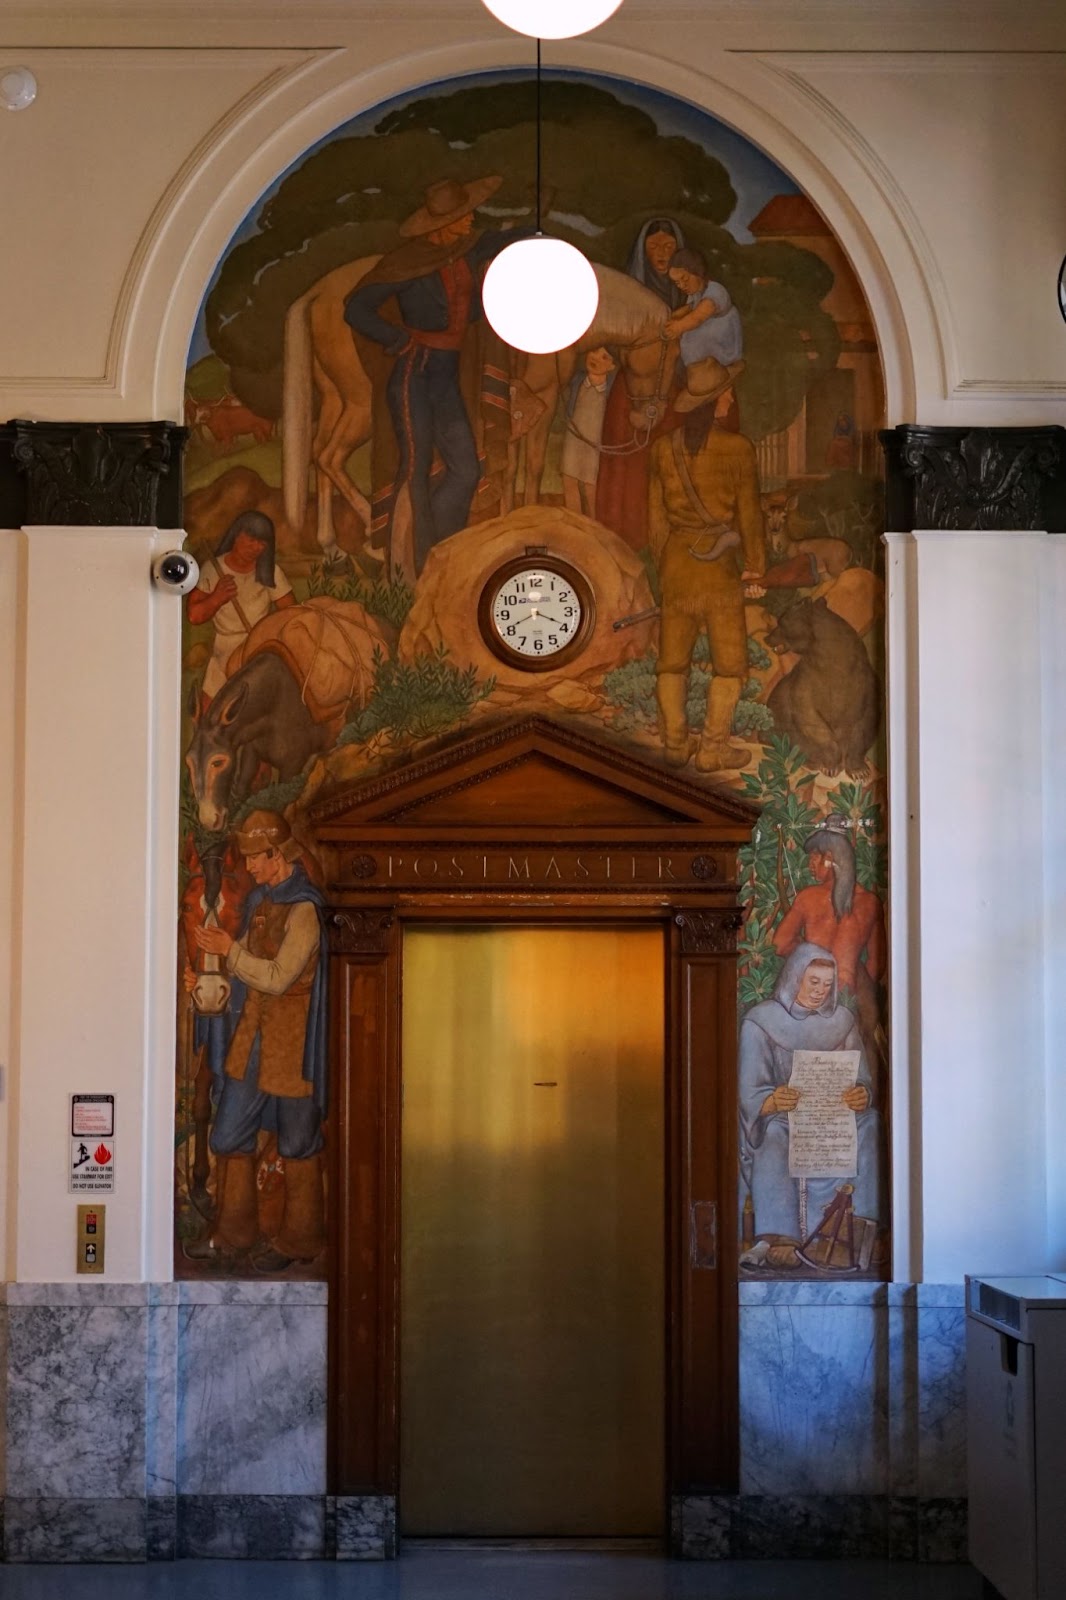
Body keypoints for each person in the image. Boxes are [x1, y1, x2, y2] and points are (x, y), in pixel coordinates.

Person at [344, 174, 525, 576]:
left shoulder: (464, 250)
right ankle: (415, 568)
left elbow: (500, 240)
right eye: (462, 216)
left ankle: (444, 553)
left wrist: (539, 228)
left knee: (466, 469)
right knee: (415, 469)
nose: (470, 219)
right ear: (440, 226)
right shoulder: (406, 264)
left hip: (445, 378)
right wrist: (396, 338)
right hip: (415, 372)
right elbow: (356, 309)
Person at [183, 810, 328, 1273]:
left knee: (298, 1141)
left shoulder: (305, 910)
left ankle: (299, 1240)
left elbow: (279, 977)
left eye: (253, 858)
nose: (247, 867)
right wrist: (206, 977)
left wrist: (231, 952)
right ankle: (235, 1234)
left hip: (292, 1043)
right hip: (254, 1038)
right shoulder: (262, 903)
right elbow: (242, 966)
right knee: (228, 1133)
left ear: (275, 854)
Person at [647, 367, 765, 773]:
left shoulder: (663, 448)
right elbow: (750, 515)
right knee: (730, 664)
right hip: (718, 568)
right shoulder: (738, 449)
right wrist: (754, 568)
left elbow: (656, 520)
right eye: (727, 394)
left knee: (671, 662)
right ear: (714, 402)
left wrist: (666, 568)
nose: (731, 400)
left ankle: (675, 745)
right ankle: (713, 749)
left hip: (677, 564)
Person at [739, 943, 884, 1268]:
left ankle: (859, 1232)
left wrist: (861, 1093)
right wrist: (772, 1099)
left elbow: (860, 1078)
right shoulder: (760, 1022)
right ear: (794, 978)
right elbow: (749, 1090)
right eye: (813, 982)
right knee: (774, 1131)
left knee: (872, 1123)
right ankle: (778, 1238)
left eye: (828, 984)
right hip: (784, 1118)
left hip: (831, 1117)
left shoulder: (843, 1021)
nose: (820, 991)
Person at [595, 218, 686, 548]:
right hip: (632, 386)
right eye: (654, 246)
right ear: (643, 251)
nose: (661, 253)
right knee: (628, 463)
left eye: (668, 246)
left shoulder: (690, 293)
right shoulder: (630, 290)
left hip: (675, 387)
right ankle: (628, 536)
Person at [186, 511, 294, 702]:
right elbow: (194, 616)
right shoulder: (213, 569)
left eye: (262, 543)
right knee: (208, 715)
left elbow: (291, 615)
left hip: (258, 651)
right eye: (251, 539)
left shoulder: (270, 572)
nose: (256, 547)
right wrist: (217, 598)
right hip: (223, 652)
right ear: (236, 535)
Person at [663, 248, 744, 373]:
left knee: (690, 339)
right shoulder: (696, 292)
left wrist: (678, 326)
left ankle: (704, 371)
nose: (682, 286)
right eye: (677, 283)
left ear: (698, 272)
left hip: (721, 340)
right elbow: (690, 308)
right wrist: (670, 316)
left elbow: (697, 317)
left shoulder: (715, 291)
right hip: (707, 331)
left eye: (685, 279)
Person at [561, 345, 617, 517]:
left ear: (612, 367)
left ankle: (592, 525)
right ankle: (575, 522)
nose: (595, 358)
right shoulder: (577, 380)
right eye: (593, 352)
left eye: (604, 357)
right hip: (574, 438)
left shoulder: (611, 391)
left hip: (594, 444)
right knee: (569, 480)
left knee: (590, 486)